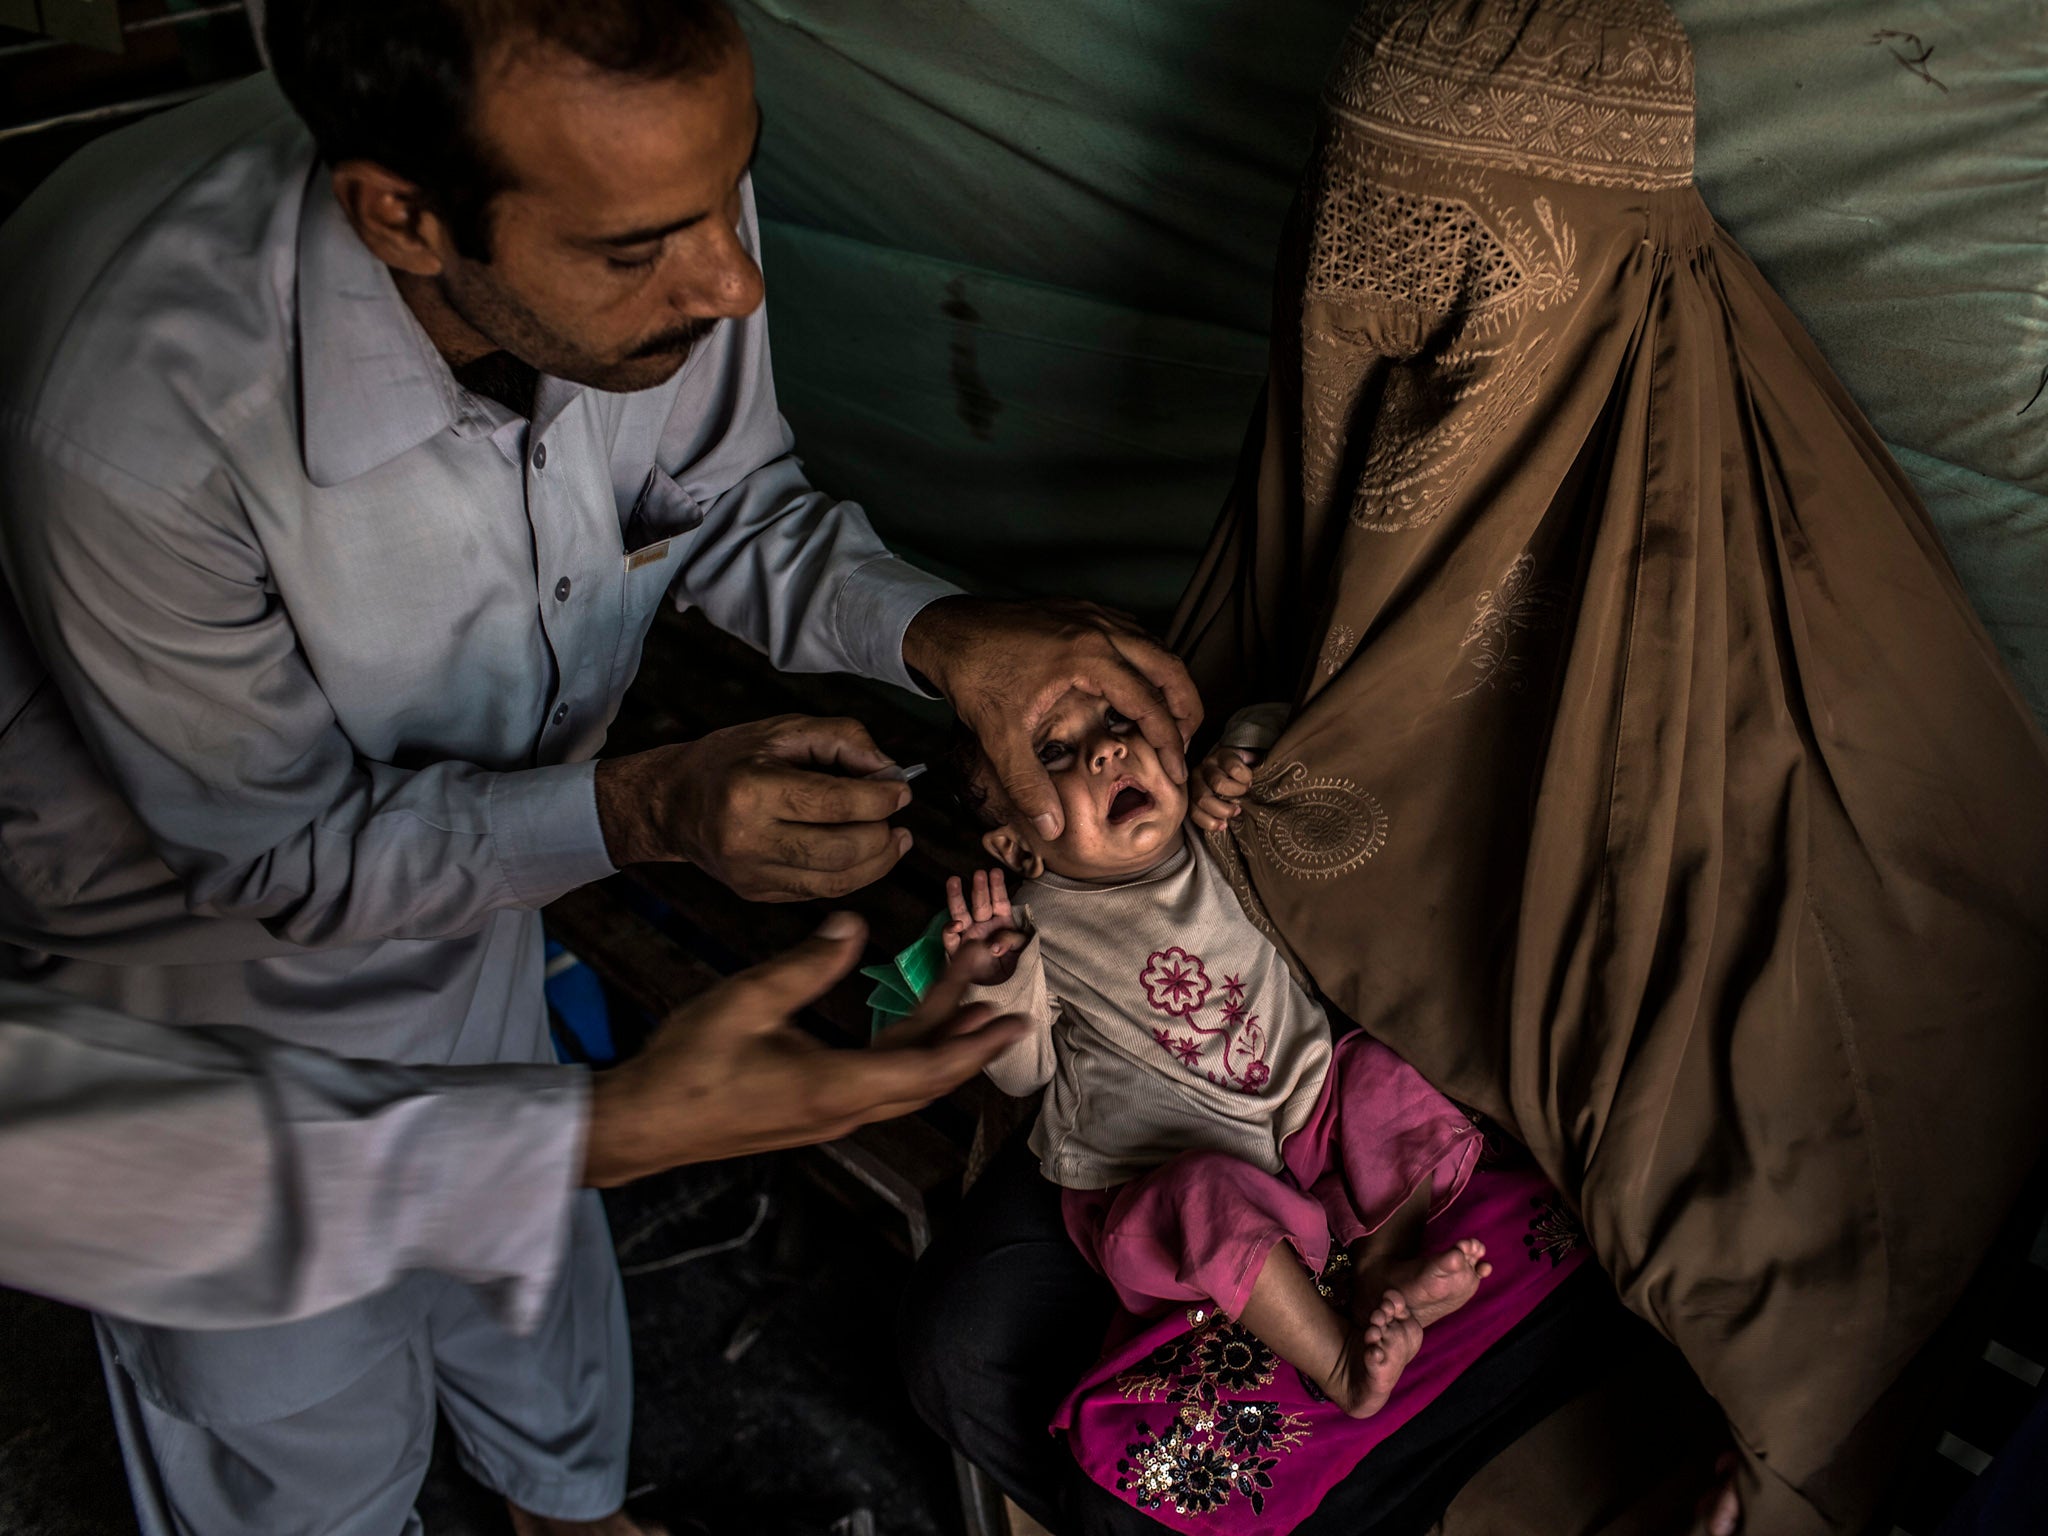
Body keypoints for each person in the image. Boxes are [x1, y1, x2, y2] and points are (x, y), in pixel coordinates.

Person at [0, 0, 1198, 1531]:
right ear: (406, 218)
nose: (734, 279)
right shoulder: (131, 416)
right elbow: (279, 860)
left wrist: (944, 635)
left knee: (528, 1258)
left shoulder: (650, 182)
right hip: (195, 977)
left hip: (494, 884)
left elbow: (721, 500)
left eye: (732, 190)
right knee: (293, 1409)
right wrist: (642, 811)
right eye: (642, 250)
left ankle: (570, 1510)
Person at [1165, 0, 2048, 1531]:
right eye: (1351, 256)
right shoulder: (1313, 516)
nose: (1381, 332)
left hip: (1626, 1316)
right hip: (1359, 1186)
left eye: (1461, 281)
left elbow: (1862, 1120)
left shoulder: (1793, 630)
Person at [929, 694, 1606, 1532]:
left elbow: (1282, 737)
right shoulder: (1042, 926)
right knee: (1207, 1192)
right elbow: (1022, 1070)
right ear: (1014, 844)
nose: (1106, 755)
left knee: (1384, 1076)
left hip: (1303, 1115)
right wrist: (992, 976)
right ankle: (1341, 1363)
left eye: (1116, 728)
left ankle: (1389, 1257)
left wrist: (1233, 767)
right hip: (1152, 1196)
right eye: (1058, 758)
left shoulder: (1210, 844)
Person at [1, 915, 1022, 1331]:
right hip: (173, 998)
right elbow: (72, 1152)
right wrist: (603, 1133)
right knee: (297, 1438)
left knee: (543, 1344)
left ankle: (566, 1505)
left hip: (466, 1015)